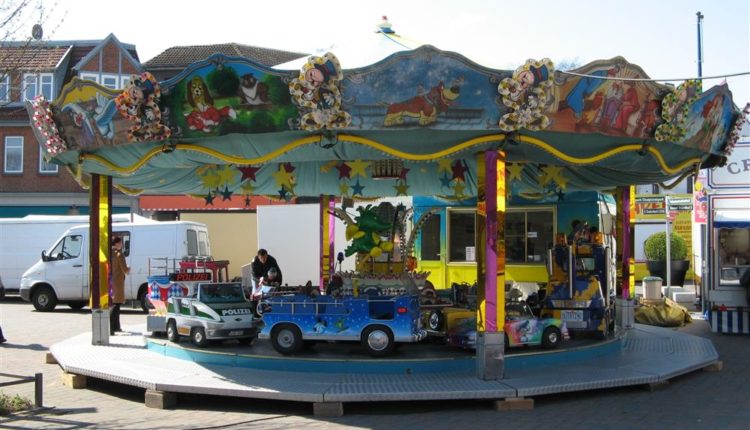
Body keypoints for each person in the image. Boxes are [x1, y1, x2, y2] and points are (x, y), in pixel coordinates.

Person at [110, 236, 129, 335]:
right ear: (117, 243)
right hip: (118, 282)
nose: (121, 244)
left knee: (114, 304)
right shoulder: (119, 254)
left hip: (110, 282)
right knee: (116, 306)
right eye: (120, 243)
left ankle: (115, 326)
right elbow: (124, 269)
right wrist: (129, 269)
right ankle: (114, 327)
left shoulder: (109, 254)